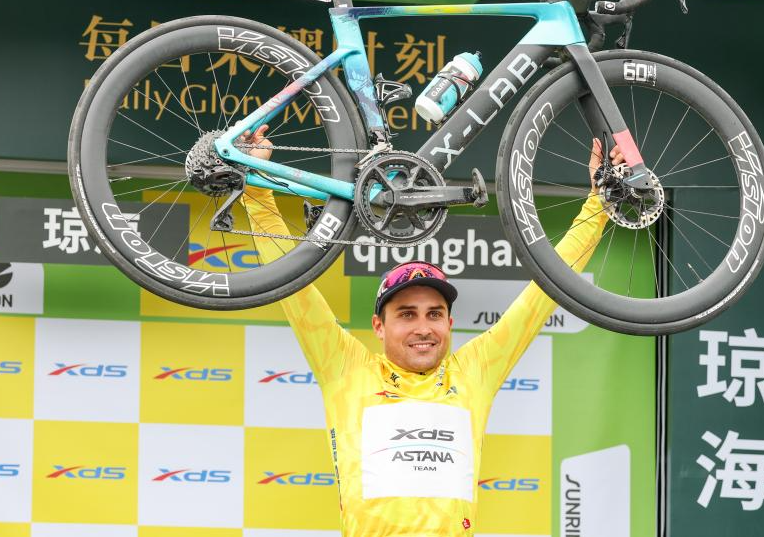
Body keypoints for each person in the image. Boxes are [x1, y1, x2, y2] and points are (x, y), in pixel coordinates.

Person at [241, 124, 619, 536]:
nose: (423, 328)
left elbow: (542, 294)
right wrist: (256, 187)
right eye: (407, 314)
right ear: (379, 326)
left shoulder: (472, 371)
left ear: (449, 323)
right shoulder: (346, 368)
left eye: (434, 314)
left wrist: (598, 204)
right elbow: (295, 289)